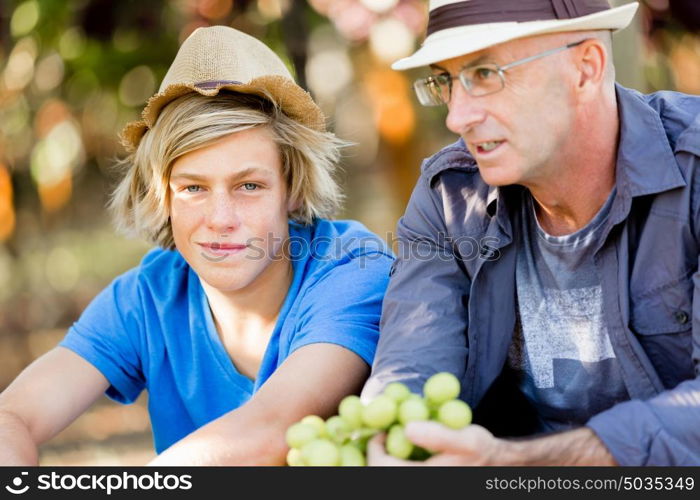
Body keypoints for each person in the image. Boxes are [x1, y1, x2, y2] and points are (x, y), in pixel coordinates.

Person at [0, 26, 393, 466]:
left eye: (248, 185)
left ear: (293, 189)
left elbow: (273, 428)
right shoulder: (146, 297)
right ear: (161, 198)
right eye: (193, 188)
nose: (221, 219)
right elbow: (14, 415)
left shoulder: (352, 266)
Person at [364, 0, 700, 466]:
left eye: (485, 74)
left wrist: (516, 463)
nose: (457, 118)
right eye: (446, 81)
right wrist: (395, 439)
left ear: (586, 68)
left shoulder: (694, 169)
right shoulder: (450, 195)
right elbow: (411, 363)